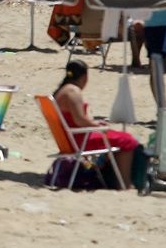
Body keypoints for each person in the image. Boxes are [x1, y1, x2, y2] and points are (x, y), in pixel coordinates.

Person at [53, 60, 139, 189]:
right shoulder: (73, 92)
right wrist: (97, 125)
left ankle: (116, 179)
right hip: (80, 140)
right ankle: (124, 183)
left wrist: (95, 124)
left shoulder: (62, 90)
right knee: (127, 140)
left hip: (69, 139)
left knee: (119, 138)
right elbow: (79, 120)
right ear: (84, 76)